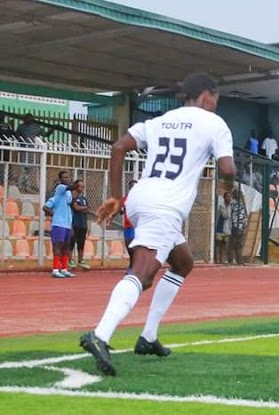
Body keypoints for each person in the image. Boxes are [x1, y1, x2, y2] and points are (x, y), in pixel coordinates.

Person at [80, 72, 236, 376]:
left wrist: (115, 196)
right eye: (215, 99)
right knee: (144, 273)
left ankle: (148, 336)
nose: (215, 104)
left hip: (142, 197)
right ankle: (100, 335)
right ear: (207, 96)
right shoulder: (214, 123)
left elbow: (118, 147)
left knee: (182, 263)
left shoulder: (159, 120)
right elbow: (227, 167)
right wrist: (227, 186)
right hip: (165, 206)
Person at [43, 171, 80, 278]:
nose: (67, 179)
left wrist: (71, 225)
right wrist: (54, 214)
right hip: (59, 223)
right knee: (57, 246)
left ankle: (64, 268)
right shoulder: (60, 188)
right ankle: (55, 269)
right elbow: (71, 187)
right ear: (60, 179)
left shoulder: (68, 193)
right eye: (64, 177)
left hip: (67, 223)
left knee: (66, 247)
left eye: (68, 177)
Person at [69, 179, 91, 270]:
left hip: (83, 224)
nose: (82, 188)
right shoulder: (72, 197)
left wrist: (88, 225)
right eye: (80, 186)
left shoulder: (84, 199)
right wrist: (84, 208)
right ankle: (70, 260)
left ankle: (80, 261)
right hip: (74, 223)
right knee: (71, 243)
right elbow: (76, 208)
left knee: (81, 243)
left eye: (83, 186)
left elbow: (87, 211)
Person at [121, 180, 137, 273]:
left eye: (134, 186)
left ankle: (134, 266)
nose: (133, 188)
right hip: (127, 225)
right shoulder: (125, 199)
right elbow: (121, 211)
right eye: (131, 186)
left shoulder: (140, 199)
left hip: (136, 226)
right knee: (129, 246)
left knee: (134, 247)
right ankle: (132, 265)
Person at [228, 189, 248, 265]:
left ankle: (237, 259)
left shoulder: (238, 204)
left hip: (239, 225)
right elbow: (237, 216)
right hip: (237, 226)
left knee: (237, 244)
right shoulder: (235, 204)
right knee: (235, 244)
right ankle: (234, 259)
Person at [215, 191, 232, 264]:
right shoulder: (221, 206)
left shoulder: (230, 206)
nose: (229, 198)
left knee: (224, 244)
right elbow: (226, 215)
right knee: (218, 244)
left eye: (230, 197)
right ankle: (217, 259)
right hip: (220, 228)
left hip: (227, 228)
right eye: (227, 196)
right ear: (224, 197)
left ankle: (222, 260)